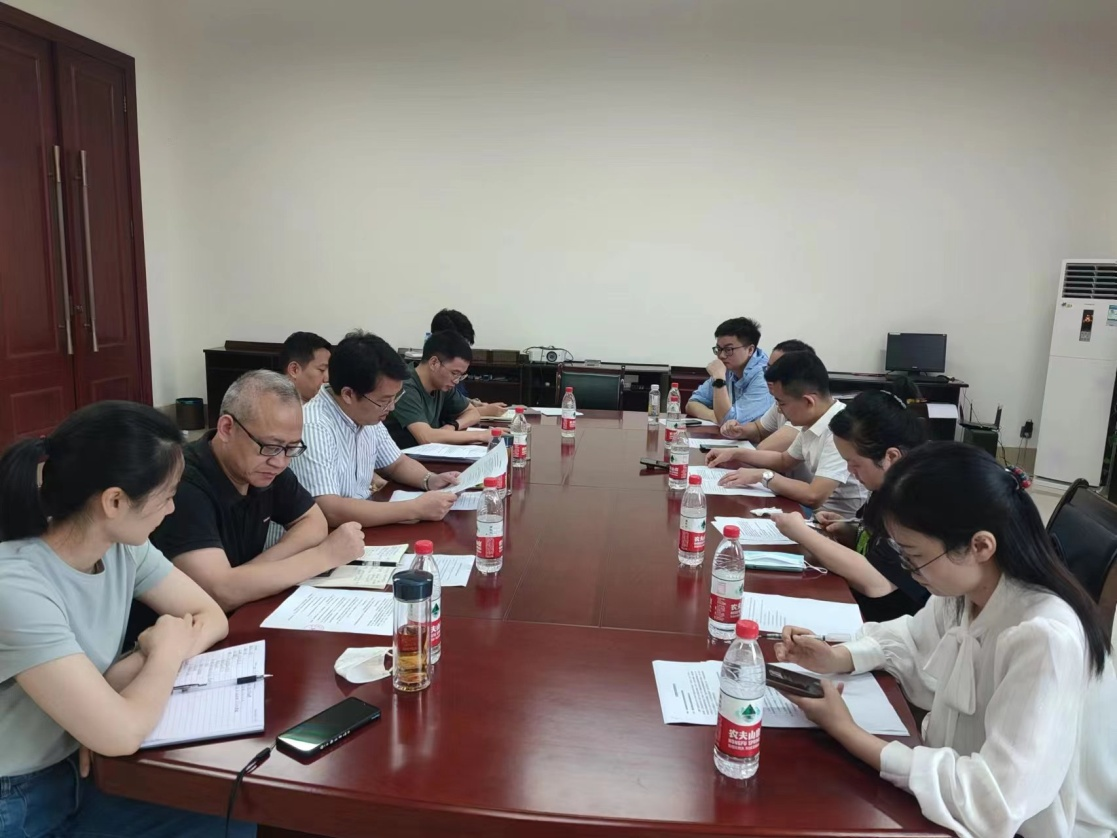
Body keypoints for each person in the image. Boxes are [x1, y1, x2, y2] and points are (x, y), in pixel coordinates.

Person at [773, 444, 1117, 838]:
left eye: (915, 557)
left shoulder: (1044, 637)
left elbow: (994, 801)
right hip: (954, 776)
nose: (910, 571)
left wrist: (846, 731)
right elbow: (911, 638)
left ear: (980, 546)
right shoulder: (969, 590)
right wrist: (838, 656)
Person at [0, 401, 253, 838]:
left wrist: (137, 665)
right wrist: (163, 653)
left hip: (84, 763)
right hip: (20, 798)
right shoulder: (17, 587)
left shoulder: (122, 547)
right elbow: (120, 734)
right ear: (114, 501)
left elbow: (211, 615)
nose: (172, 509)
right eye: (167, 496)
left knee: (230, 812)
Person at [131, 372, 364, 631]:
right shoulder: (182, 484)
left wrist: (248, 574)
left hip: (237, 616)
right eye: (271, 446)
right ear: (227, 428)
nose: (280, 462)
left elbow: (314, 521)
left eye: (292, 448)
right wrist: (323, 557)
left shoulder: (266, 466)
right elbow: (219, 593)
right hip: (172, 634)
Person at [769, 389, 931, 622]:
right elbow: (880, 546)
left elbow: (877, 582)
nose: (849, 471)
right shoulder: (885, 485)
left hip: (886, 623)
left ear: (891, 457)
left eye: (854, 464)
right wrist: (851, 530)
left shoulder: (917, 502)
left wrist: (802, 533)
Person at [290, 330, 460, 528]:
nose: (392, 407)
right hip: (320, 538)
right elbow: (330, 510)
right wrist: (414, 508)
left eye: (395, 397)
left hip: (359, 526)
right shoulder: (313, 426)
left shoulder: (368, 414)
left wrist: (430, 480)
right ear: (348, 394)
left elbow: (397, 464)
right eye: (385, 400)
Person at [707, 351, 868, 516]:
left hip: (836, 521)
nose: (778, 410)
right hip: (814, 513)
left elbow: (814, 496)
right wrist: (735, 453)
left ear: (808, 401)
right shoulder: (812, 421)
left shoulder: (840, 429)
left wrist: (764, 476)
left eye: (782, 403)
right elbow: (784, 460)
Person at [385, 330, 484, 449]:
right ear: (434, 363)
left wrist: (453, 426)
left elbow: (473, 413)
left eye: (460, 375)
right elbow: (426, 437)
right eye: (454, 373)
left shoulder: (442, 385)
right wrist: (480, 436)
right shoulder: (404, 386)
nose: (456, 381)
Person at [720, 338, 814, 450]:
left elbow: (763, 448)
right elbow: (759, 429)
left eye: (776, 370)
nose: (767, 376)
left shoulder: (806, 405)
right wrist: (739, 430)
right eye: (768, 368)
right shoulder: (780, 400)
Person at [685, 317, 774, 425]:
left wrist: (719, 380)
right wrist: (714, 416)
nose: (721, 356)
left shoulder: (765, 377)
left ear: (750, 350)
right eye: (719, 349)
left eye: (728, 349)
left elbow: (731, 421)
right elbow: (692, 403)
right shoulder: (727, 368)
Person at [430, 308, 508, 417]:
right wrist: (484, 411)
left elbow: (457, 401)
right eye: (460, 344)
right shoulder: (436, 374)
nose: (463, 350)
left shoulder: (454, 370)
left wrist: (476, 404)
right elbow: (445, 413)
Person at [281, 331, 332, 403]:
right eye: (322, 370)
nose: (328, 378)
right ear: (294, 370)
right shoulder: (272, 406)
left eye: (330, 370)